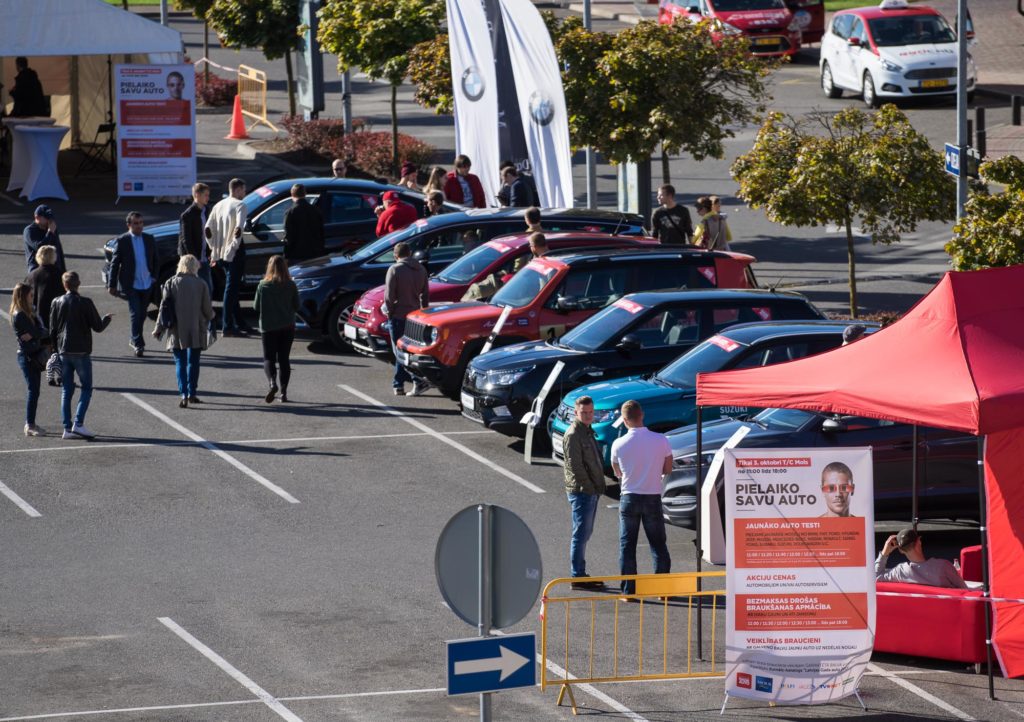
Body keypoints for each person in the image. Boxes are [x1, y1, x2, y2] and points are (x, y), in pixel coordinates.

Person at [611, 400, 673, 596]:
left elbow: (617, 472)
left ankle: (629, 592)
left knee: (627, 545)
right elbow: (668, 469)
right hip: (653, 496)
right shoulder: (661, 440)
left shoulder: (618, 444)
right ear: (642, 415)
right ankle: (662, 589)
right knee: (658, 544)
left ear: (624, 420)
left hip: (629, 497)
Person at [50, 271, 113, 439]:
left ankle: (67, 427)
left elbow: (52, 329)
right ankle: (78, 423)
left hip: (63, 350)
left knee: (66, 389)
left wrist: (54, 351)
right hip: (81, 352)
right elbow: (98, 327)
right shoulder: (85, 302)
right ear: (79, 284)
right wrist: (106, 319)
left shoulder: (56, 302)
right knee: (86, 387)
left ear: (64, 285)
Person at [153, 255, 214, 408]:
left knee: (180, 361)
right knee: (193, 361)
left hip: (176, 328)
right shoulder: (201, 284)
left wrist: (158, 329)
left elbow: (164, 308)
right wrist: (213, 317)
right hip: (196, 328)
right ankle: (192, 393)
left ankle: (183, 394)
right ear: (195, 267)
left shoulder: (171, 283)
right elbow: (207, 309)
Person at [563, 395, 607, 590]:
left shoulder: (587, 431)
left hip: (590, 491)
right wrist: (590, 488)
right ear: (576, 412)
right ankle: (578, 576)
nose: (588, 415)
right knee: (580, 534)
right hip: (582, 492)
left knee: (585, 533)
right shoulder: (573, 435)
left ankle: (579, 574)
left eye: (590, 412)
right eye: (584, 413)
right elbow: (575, 467)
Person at [206, 178, 254, 336]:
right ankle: (227, 326)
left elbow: (208, 229)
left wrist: (214, 247)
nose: (245, 193)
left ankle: (240, 322)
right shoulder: (240, 205)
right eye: (244, 190)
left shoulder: (218, 205)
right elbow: (238, 230)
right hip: (234, 253)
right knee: (231, 289)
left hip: (219, 253)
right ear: (238, 189)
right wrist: (232, 248)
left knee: (231, 287)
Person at [107, 211, 157, 357]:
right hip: (132, 285)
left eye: (141, 223)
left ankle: (134, 336)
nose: (139, 226)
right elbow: (115, 264)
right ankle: (138, 344)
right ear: (129, 225)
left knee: (142, 314)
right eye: (136, 223)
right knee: (136, 314)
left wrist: (154, 276)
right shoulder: (123, 241)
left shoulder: (149, 238)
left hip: (147, 283)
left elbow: (155, 259)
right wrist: (112, 284)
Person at [384, 242, 429, 396]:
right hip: (415, 316)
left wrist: (389, 313)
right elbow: (425, 295)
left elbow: (389, 297)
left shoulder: (394, 269)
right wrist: (424, 313)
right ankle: (405, 383)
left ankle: (406, 382)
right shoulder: (421, 269)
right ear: (409, 253)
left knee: (400, 352)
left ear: (395, 255)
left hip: (398, 315)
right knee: (409, 352)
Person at [254, 256, 299, 403]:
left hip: (268, 327)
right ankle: (284, 393)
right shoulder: (291, 285)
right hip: (287, 326)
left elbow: (256, 306)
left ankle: (272, 383)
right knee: (284, 359)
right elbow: (297, 306)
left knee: (269, 358)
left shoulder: (262, 285)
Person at [10, 283, 49, 436]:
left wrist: (36, 333)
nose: (33, 297)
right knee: (33, 390)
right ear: (23, 296)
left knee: (35, 390)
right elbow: (39, 332)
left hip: (33, 353)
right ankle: (30, 425)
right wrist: (36, 333)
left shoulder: (29, 311)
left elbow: (42, 331)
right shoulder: (20, 314)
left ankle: (31, 423)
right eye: (31, 295)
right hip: (27, 357)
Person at [876, 527, 967, 589]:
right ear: (919, 541)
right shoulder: (943, 566)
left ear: (901, 551)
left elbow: (876, 576)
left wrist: (885, 552)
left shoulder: (900, 572)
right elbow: (964, 590)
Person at [178, 182, 212, 294]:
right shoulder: (187, 215)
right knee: (193, 291)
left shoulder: (207, 211)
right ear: (197, 195)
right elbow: (186, 239)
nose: (208, 197)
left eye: (208, 195)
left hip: (204, 258)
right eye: (205, 195)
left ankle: (205, 311)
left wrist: (210, 252)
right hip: (193, 260)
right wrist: (194, 259)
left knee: (208, 289)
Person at [282, 183, 325, 262]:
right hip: (314, 252)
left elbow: (288, 235)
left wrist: (286, 254)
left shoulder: (290, 212)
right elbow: (321, 232)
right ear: (305, 194)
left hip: (296, 254)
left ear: (292, 194)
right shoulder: (315, 210)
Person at [24, 205, 66, 275]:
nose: (50, 221)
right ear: (37, 217)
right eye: (47, 218)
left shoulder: (51, 229)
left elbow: (58, 248)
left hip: (54, 270)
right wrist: (50, 233)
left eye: (50, 218)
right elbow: (40, 247)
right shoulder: (29, 231)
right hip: (37, 272)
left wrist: (63, 270)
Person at [26, 245, 63, 323]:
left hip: (37, 317)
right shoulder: (59, 274)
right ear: (53, 257)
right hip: (56, 316)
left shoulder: (31, 275)